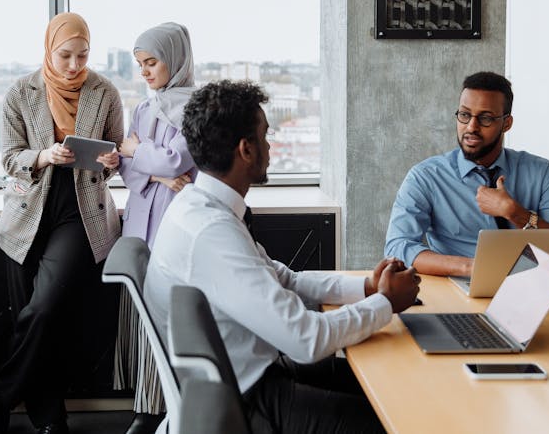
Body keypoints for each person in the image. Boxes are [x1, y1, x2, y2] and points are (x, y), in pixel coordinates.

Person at [144, 80, 421, 434]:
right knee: (391, 420)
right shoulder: (211, 230)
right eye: (265, 136)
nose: (270, 146)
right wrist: (385, 303)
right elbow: (307, 340)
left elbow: (285, 278)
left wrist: (367, 287)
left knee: (387, 382)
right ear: (246, 149)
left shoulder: (198, 206)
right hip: (247, 400)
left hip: (250, 374)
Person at [0, 12, 124, 434]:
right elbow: (10, 157)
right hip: (27, 211)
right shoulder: (20, 92)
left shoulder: (105, 91)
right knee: (36, 318)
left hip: (80, 211)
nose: (74, 65)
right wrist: (44, 156)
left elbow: (117, 154)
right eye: (65, 55)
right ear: (49, 49)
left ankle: (0, 400)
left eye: (82, 55)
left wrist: (113, 161)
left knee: (43, 309)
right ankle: (50, 416)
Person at [384, 71, 549, 277]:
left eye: (486, 118)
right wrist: (473, 268)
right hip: (457, 287)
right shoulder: (426, 177)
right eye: (464, 115)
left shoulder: (541, 173)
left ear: (506, 123)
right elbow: (398, 247)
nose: (471, 126)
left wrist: (517, 214)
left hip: (532, 286)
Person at [115, 22, 198, 434]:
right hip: (139, 218)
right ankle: (145, 405)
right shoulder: (145, 108)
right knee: (143, 316)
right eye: (140, 64)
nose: (145, 72)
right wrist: (157, 172)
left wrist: (145, 158)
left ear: (175, 59)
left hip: (171, 220)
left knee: (168, 314)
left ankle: (164, 409)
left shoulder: (197, 107)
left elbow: (176, 162)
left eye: (152, 62)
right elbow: (132, 169)